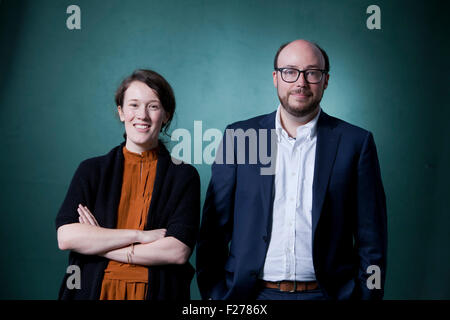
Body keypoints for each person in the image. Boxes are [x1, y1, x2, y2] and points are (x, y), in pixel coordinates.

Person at [196, 40, 387, 300]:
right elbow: (213, 231)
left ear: (326, 80)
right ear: (275, 77)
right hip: (251, 296)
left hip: (328, 295)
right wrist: (215, 295)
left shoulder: (356, 143)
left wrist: (367, 295)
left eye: (312, 73)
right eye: (290, 71)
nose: (301, 82)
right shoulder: (241, 137)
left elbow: (371, 237)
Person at [56, 69, 200, 300]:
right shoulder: (91, 170)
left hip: (157, 293)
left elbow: (177, 251)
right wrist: (140, 236)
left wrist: (98, 241)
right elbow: (67, 238)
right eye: (133, 105)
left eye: (153, 106)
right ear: (121, 112)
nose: (141, 115)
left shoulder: (184, 176)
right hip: (93, 291)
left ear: (166, 115)